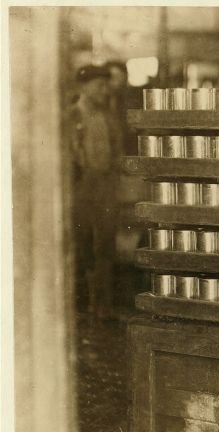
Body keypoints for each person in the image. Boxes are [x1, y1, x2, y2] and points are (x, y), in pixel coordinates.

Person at [66, 64, 122, 319]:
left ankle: (104, 306)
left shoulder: (108, 116)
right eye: (99, 86)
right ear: (84, 87)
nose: (104, 91)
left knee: (106, 244)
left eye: (105, 85)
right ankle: (86, 306)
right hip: (82, 188)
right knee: (84, 243)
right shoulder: (72, 116)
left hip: (106, 186)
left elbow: (117, 150)